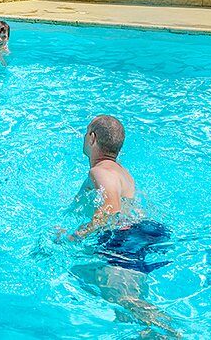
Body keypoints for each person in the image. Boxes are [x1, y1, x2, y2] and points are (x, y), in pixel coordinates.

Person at [58, 115, 176, 335]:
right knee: (123, 305)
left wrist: (77, 235)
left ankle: (173, 335)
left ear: (92, 138)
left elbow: (111, 207)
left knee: (126, 299)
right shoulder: (121, 171)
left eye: (86, 132)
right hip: (139, 233)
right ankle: (150, 334)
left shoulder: (99, 171)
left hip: (123, 237)